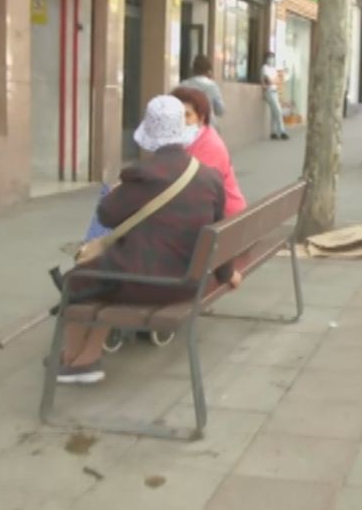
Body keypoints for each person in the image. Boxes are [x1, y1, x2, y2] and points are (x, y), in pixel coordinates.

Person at [57, 95, 241, 384]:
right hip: (189, 284)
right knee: (105, 276)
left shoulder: (142, 175)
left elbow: (107, 215)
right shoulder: (209, 177)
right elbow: (219, 233)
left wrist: (120, 190)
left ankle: (73, 359)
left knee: (77, 280)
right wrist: (228, 275)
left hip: (145, 283)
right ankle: (85, 357)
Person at [171, 86, 247, 217]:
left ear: (201, 118)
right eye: (176, 115)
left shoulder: (210, 145)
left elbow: (194, 190)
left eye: (187, 115)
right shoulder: (187, 139)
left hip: (225, 219)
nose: (181, 121)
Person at [179, 54, 225, 125]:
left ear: (193, 70)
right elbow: (220, 110)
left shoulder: (183, 85)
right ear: (209, 71)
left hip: (188, 124)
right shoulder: (212, 86)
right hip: (208, 124)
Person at [260, 52, 289, 141]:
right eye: (269, 57)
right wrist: (273, 81)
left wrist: (273, 81)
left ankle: (273, 132)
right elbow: (269, 81)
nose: (271, 59)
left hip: (275, 91)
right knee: (278, 111)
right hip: (268, 92)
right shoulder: (265, 68)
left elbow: (277, 80)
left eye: (272, 57)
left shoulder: (273, 69)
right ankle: (282, 132)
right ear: (266, 59)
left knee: (274, 112)